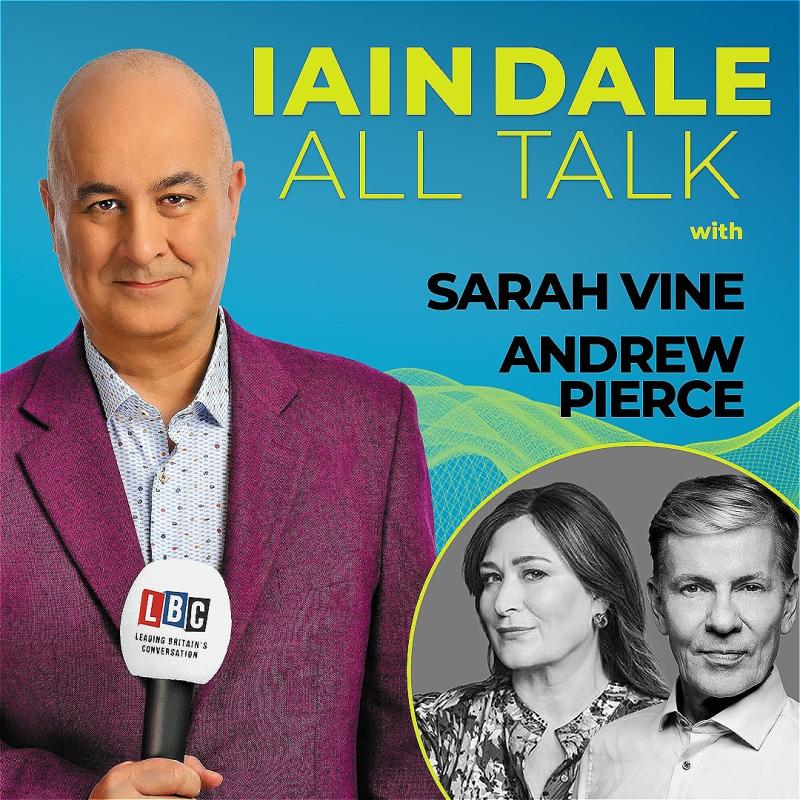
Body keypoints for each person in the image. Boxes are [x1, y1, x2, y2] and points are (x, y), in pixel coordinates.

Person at [0, 50, 436, 799]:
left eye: (174, 199)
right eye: (103, 204)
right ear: (52, 213)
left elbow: (411, 745)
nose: (142, 246)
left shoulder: (371, 426)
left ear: (232, 198)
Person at [413, 482, 668, 800]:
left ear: (600, 596)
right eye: (492, 578)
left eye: (534, 573)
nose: (502, 603)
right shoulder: (428, 726)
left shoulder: (674, 738)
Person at [576, 473, 799, 799]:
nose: (722, 621)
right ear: (658, 605)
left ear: (789, 604)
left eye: (750, 587)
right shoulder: (605, 751)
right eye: (693, 588)